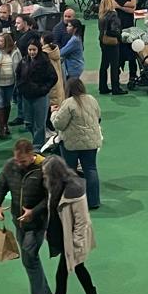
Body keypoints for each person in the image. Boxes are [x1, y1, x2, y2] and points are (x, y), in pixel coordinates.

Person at [31, 155, 102, 294]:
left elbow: (82, 223)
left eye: (46, 174)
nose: (44, 177)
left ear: (54, 174)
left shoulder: (75, 190)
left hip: (73, 242)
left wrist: (76, 248)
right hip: (62, 238)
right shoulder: (54, 186)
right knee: (79, 269)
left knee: (61, 280)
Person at [0, 139, 53, 294]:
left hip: (38, 223)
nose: (19, 164)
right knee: (29, 259)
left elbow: (51, 196)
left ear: (32, 155)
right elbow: (0, 187)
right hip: (19, 222)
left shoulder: (45, 169)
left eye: (23, 161)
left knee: (29, 257)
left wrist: (34, 212)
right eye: (17, 160)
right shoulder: (10, 165)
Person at [51, 77, 104, 210]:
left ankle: (72, 201)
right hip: (91, 142)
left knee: (70, 171)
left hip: (71, 144)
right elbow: (99, 117)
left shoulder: (68, 103)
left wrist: (54, 113)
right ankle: (94, 201)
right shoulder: (92, 99)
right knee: (91, 169)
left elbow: (59, 124)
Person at [14, 38, 57, 146]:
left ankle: (38, 145)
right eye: (30, 50)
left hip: (40, 97)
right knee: (28, 123)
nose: (32, 52)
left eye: (34, 50)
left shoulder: (45, 62)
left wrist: (43, 89)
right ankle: (37, 140)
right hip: (26, 96)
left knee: (39, 123)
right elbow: (18, 75)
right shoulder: (23, 61)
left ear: (39, 49)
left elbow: (53, 77)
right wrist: (21, 87)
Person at [97, 0, 127, 95]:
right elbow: (115, 30)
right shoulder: (113, 15)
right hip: (112, 43)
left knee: (104, 65)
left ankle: (103, 87)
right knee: (115, 66)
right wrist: (120, 37)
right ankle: (116, 88)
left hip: (103, 41)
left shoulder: (101, 15)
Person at [0, 29, 19, 142]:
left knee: (7, 104)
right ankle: (0, 129)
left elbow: (19, 65)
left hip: (10, 83)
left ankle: (5, 124)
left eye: (1, 41)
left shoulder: (15, 52)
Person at [60, 19, 86, 83]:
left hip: (74, 68)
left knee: (72, 86)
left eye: (69, 26)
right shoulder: (76, 37)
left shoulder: (74, 40)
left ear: (75, 29)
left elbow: (62, 52)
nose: (67, 27)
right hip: (75, 66)